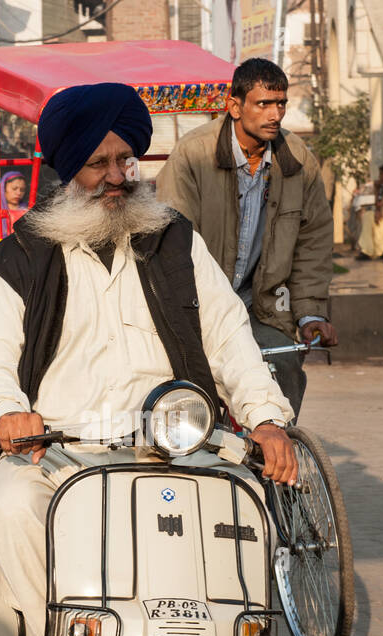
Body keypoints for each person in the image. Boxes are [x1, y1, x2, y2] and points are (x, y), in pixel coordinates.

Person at [0, 82, 298, 636]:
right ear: (68, 170)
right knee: (15, 511)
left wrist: (265, 417)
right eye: (98, 164)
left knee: (246, 508)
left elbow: (229, 338)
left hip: (172, 445)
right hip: (57, 454)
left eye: (125, 159)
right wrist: (7, 413)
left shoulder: (175, 242)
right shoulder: (22, 256)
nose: (117, 176)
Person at [157, 58, 336, 420]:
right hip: (198, 304)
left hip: (263, 306)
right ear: (235, 106)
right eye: (263, 104)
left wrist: (310, 312)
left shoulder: (298, 159)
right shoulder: (193, 154)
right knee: (193, 390)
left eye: (281, 103)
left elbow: (312, 242)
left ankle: (277, 460)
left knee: (283, 365)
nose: (275, 114)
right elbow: (170, 240)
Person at [0, 170, 30, 241]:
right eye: (14, 188)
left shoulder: (26, 209)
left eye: (22, 190)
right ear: (3, 188)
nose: (18, 193)